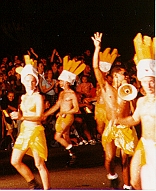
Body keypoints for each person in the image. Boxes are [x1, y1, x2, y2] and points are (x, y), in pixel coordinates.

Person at [91, 32, 138, 189]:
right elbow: (96, 67)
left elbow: (134, 111)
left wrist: (132, 100)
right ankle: (111, 175)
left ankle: (127, 186)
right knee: (109, 158)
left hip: (125, 127)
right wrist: (97, 48)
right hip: (111, 127)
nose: (126, 77)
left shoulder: (128, 91)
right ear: (116, 75)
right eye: (124, 75)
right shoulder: (106, 88)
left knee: (125, 159)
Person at [115, 33, 156, 190]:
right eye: (145, 82)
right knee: (135, 180)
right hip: (144, 144)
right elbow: (134, 119)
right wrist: (119, 120)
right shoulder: (141, 101)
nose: (149, 85)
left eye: (152, 81)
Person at [10, 64, 50, 190]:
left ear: (36, 82)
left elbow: (40, 117)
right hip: (24, 132)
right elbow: (22, 114)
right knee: (15, 161)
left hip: (35, 131)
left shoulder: (38, 97)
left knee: (39, 164)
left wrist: (21, 118)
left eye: (32, 81)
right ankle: (33, 183)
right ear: (23, 81)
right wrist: (17, 115)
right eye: (27, 80)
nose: (29, 83)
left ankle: (47, 189)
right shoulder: (22, 97)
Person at [43, 58, 85, 166]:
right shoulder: (61, 93)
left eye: (61, 80)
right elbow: (57, 106)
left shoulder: (72, 94)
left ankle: (74, 151)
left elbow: (76, 109)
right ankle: (73, 157)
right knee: (66, 137)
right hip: (62, 116)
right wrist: (45, 114)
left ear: (66, 82)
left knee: (57, 137)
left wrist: (66, 112)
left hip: (68, 117)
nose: (59, 82)